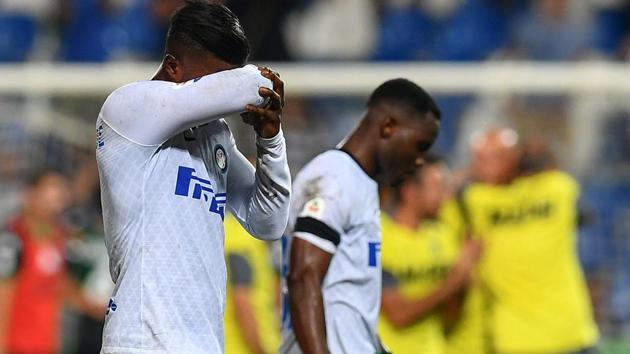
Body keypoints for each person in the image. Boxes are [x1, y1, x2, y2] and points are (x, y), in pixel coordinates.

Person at [95, 1, 291, 353]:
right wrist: (252, 82)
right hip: (142, 340)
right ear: (172, 65)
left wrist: (270, 139)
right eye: (215, 78)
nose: (218, 96)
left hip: (204, 341)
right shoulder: (127, 107)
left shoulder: (214, 134)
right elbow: (252, 85)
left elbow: (268, 221)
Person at [280, 78, 441, 354]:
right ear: (388, 126)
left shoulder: (359, 184)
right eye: (420, 146)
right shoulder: (335, 179)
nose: (419, 161)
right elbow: (303, 277)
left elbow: (347, 300)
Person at [458, 128, 599, 354]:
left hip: (572, 335)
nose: (487, 166)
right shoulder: (473, 201)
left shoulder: (556, 188)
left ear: (516, 158)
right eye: (481, 159)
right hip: (517, 342)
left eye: (495, 158)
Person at [378, 156, 482, 354]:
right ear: (410, 191)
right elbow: (398, 315)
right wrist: (454, 281)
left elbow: (452, 315)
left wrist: (463, 282)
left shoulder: (441, 234)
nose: (445, 196)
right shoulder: (379, 236)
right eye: (437, 187)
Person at [0, 170, 102, 354]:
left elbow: (59, 285)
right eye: (50, 193)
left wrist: (90, 306)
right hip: (16, 345)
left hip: (46, 345)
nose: (55, 202)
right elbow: (3, 295)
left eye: (60, 195)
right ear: (30, 195)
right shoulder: (13, 240)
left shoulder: (58, 238)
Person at [224, 213, 280, 354]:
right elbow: (241, 300)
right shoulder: (241, 237)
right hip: (242, 348)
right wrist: (259, 350)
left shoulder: (254, 238)